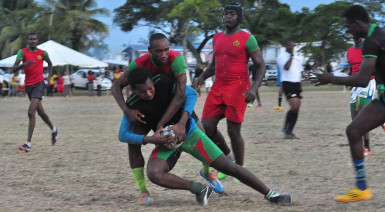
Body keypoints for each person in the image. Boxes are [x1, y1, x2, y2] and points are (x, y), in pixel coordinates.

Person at [123, 67, 291, 206]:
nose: (149, 93)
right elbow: (122, 135)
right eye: (143, 92)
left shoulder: (163, 81)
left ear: (152, 81)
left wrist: (181, 124)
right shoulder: (132, 105)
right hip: (168, 143)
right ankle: (198, 188)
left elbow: (191, 94)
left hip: (191, 134)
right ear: (133, 90)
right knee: (154, 173)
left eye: (150, 88)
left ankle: (271, 194)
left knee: (229, 167)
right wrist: (151, 139)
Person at [112, 33, 222, 204]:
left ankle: (207, 172)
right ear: (149, 51)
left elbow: (187, 93)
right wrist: (127, 111)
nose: (163, 54)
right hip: (147, 111)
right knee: (133, 144)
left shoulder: (175, 59)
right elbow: (116, 86)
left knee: (201, 133)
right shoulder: (138, 66)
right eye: (158, 51)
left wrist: (180, 120)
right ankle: (143, 191)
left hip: (173, 105)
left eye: (166, 50)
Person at [314, 5, 385, 202]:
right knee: (353, 131)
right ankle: (362, 188)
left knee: (354, 130)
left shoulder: (372, 40)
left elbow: (362, 79)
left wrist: (331, 78)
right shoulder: (377, 36)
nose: (347, 30)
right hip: (383, 99)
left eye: (347, 26)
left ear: (357, 23)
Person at [194, 3, 266, 180]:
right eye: (226, 14)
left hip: (238, 87)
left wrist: (253, 88)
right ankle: (229, 157)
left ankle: (240, 169)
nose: (228, 17)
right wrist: (201, 78)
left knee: (233, 131)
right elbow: (214, 65)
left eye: (232, 14)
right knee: (206, 128)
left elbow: (261, 65)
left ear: (239, 18)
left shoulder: (247, 38)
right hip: (218, 86)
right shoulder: (216, 38)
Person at [11, 32, 58, 152]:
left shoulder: (42, 53)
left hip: (39, 84)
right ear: (28, 41)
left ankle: (28, 144)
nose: (32, 41)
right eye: (30, 39)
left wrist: (48, 78)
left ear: (37, 41)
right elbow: (13, 68)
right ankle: (54, 129)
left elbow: (50, 64)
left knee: (31, 112)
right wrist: (24, 64)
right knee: (41, 112)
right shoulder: (23, 52)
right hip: (28, 86)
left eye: (34, 39)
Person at [347, 36, 376, 156]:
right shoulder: (349, 51)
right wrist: (349, 81)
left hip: (368, 81)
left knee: (362, 112)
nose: (355, 37)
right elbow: (351, 68)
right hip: (355, 84)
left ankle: (367, 147)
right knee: (355, 118)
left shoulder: (368, 48)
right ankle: (380, 120)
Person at [277, 40, 307, 139]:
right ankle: (286, 129)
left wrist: (305, 75)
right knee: (294, 107)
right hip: (287, 83)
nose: (291, 47)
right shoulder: (281, 56)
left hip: (297, 84)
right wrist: (291, 56)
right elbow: (286, 67)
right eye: (289, 45)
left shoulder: (297, 57)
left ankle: (289, 132)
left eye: (293, 45)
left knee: (296, 109)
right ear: (286, 46)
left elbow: (300, 70)